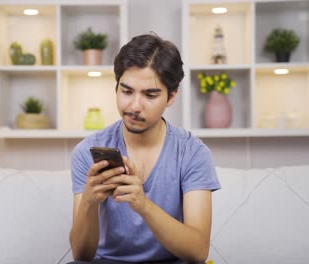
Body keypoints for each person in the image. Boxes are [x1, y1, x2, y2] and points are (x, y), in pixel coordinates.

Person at [69, 33, 221, 264]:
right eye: (126, 91)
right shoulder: (86, 151)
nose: (134, 106)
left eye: (150, 95)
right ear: (116, 87)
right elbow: (82, 255)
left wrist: (142, 205)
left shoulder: (193, 153)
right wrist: (89, 201)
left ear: (171, 97)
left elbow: (198, 252)